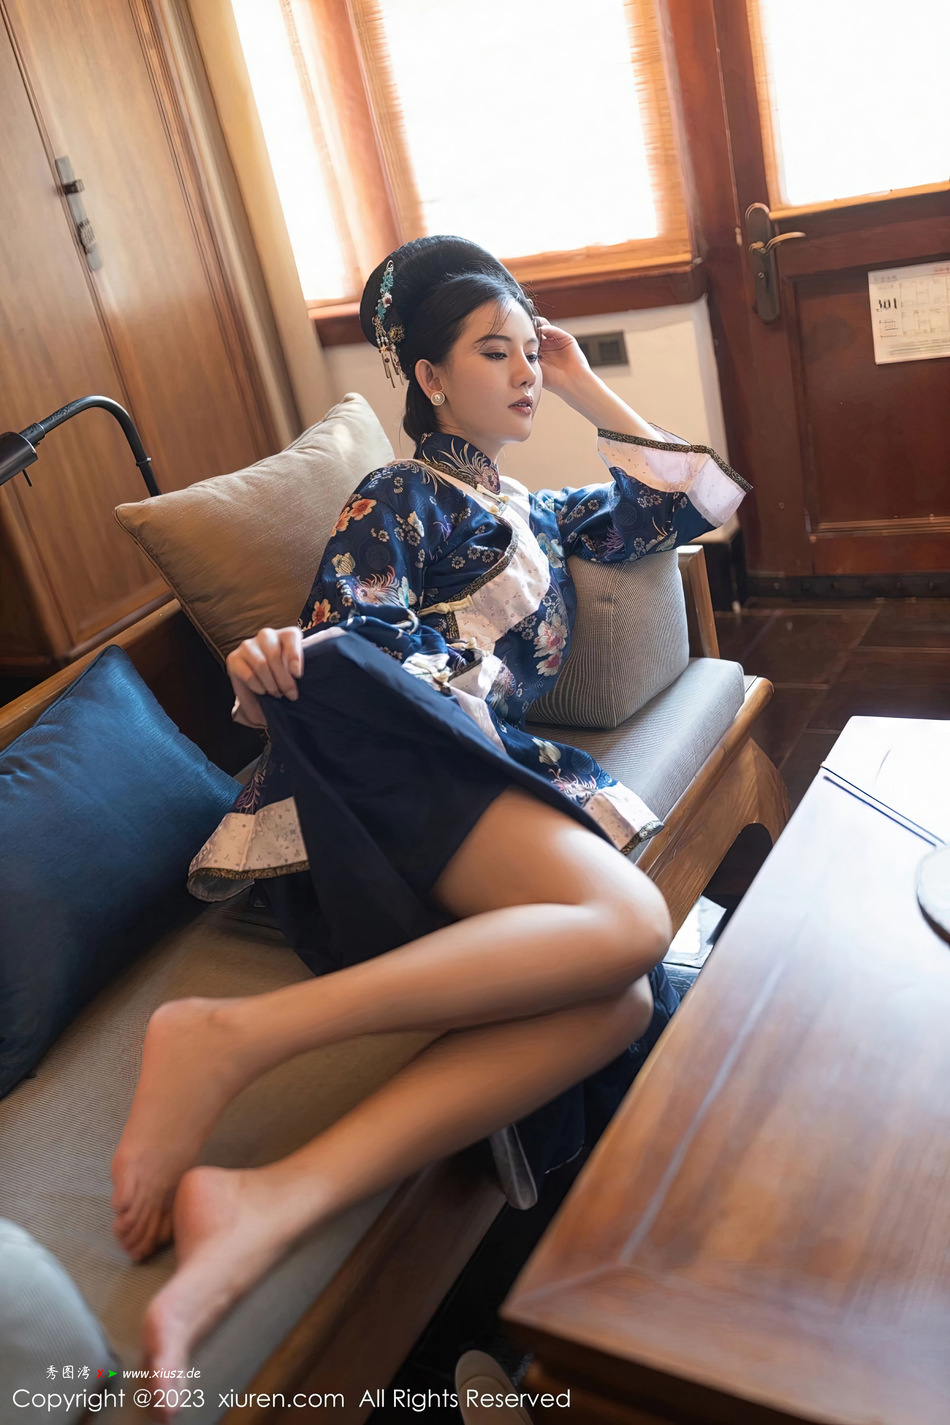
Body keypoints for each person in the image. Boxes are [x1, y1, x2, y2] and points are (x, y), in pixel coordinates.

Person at [110, 236, 748, 1390]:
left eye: (528, 350)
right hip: (403, 775)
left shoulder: (540, 513)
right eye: (493, 352)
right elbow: (344, 642)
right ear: (427, 378)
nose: (522, 370)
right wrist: (267, 662)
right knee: (629, 925)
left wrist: (578, 380)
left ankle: (265, 1202)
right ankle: (229, 1036)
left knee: (613, 1002)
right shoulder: (397, 493)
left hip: (474, 784)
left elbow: (703, 501)